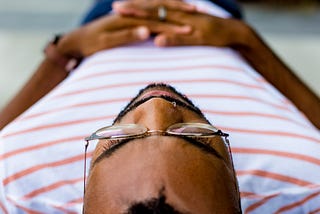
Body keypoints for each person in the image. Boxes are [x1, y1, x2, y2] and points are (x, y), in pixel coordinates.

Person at [0, 0, 319, 213]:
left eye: (118, 139)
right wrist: (245, 40)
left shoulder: (17, 190)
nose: (157, 103)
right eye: (195, 135)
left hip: (110, 18)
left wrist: (64, 50)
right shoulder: (306, 186)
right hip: (210, 15)